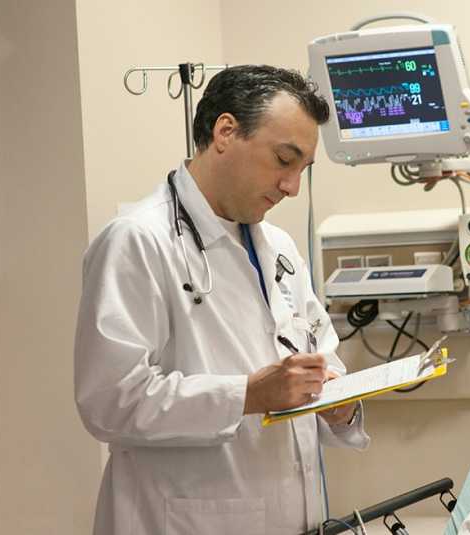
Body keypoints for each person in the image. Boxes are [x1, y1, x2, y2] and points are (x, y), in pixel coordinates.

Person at [74, 65, 368, 535]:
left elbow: (320, 354)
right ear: (225, 131)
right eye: (283, 159)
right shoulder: (138, 241)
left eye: (301, 170)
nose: (291, 187)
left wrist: (339, 403)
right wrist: (246, 395)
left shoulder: (280, 249)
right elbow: (109, 402)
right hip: (181, 520)